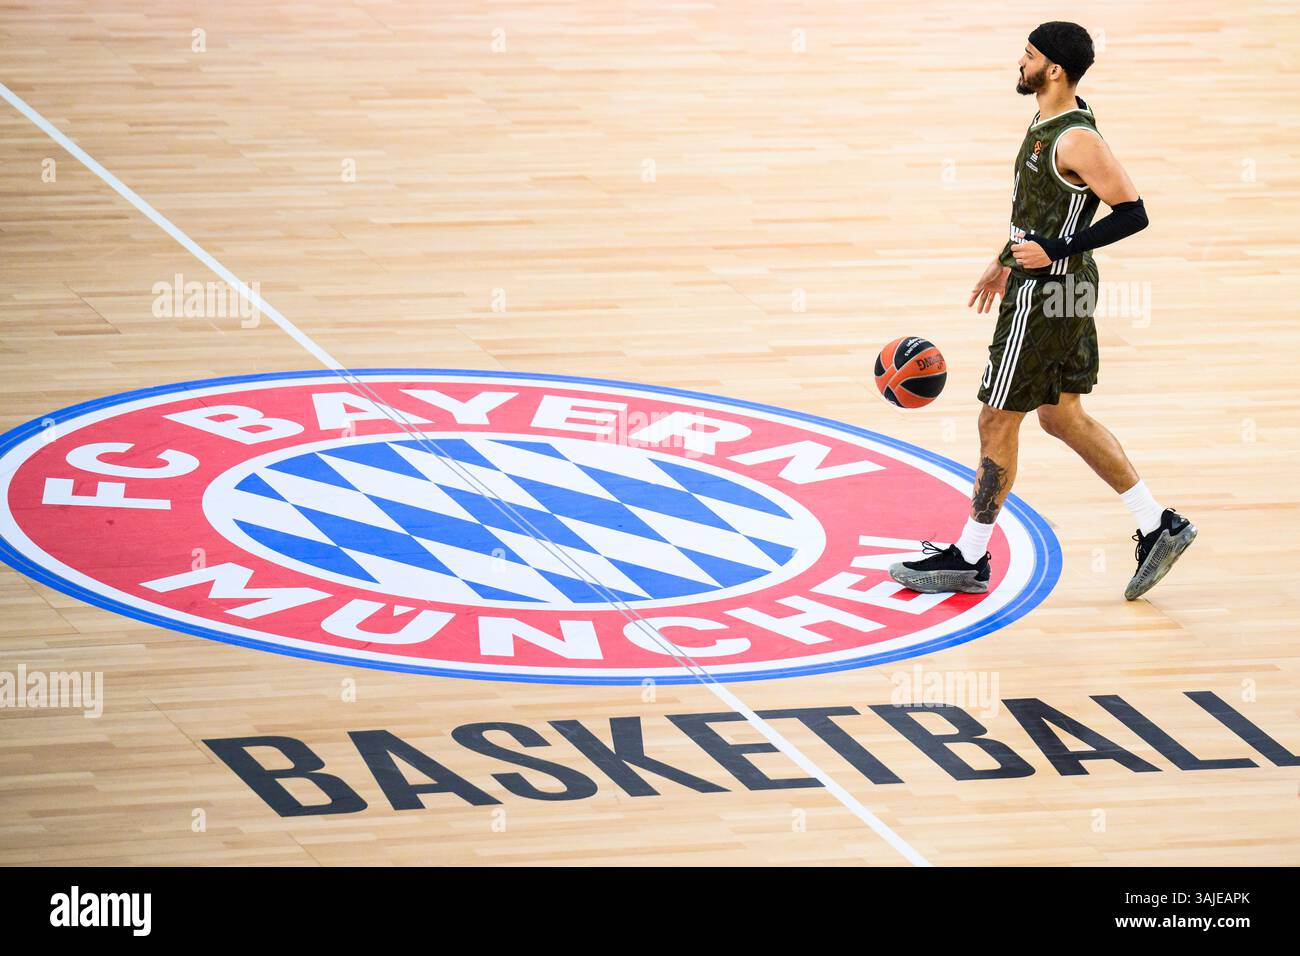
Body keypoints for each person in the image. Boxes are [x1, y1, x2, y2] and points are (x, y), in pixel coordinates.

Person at [889, 21, 1195, 601]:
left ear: (1053, 68)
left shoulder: (1076, 139)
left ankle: (970, 559)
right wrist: (1003, 258)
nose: (1019, 62)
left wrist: (1050, 252)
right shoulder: (1047, 118)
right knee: (1060, 415)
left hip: (1047, 296)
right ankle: (1158, 523)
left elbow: (1134, 212)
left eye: (1027, 55)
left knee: (996, 420)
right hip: (1058, 286)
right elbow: (1041, 210)